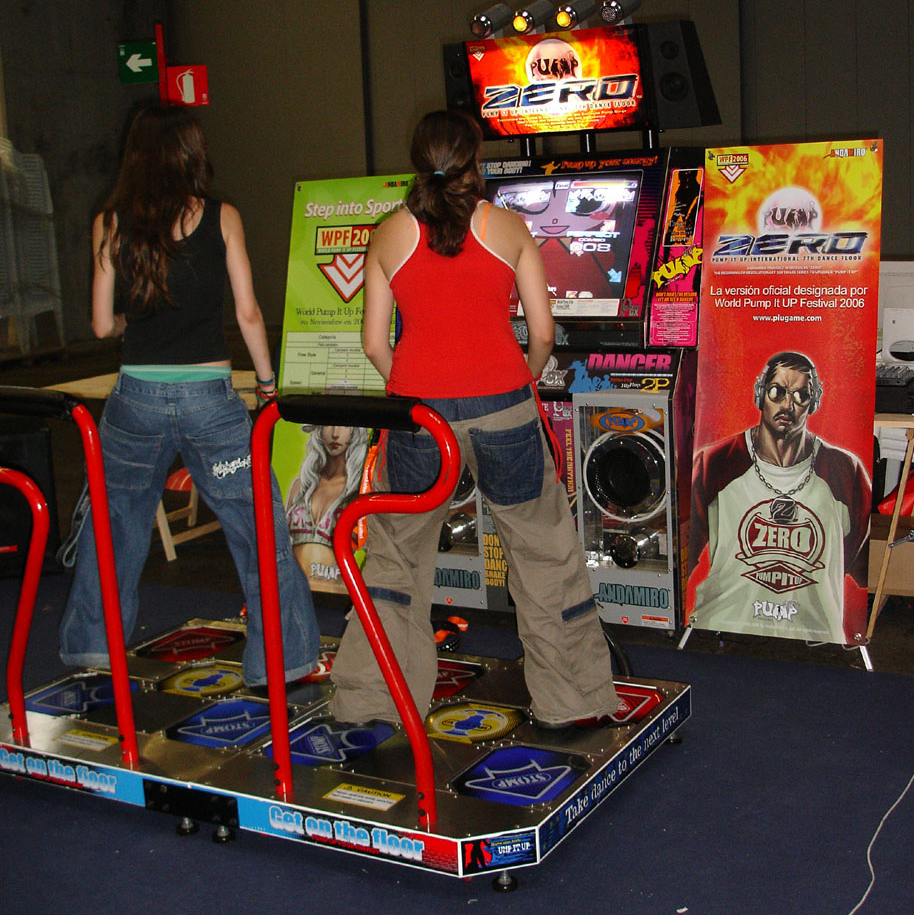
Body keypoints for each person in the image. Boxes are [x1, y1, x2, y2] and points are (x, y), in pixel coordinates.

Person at [330, 108, 619, 727]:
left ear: (418, 161)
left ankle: (372, 702)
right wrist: (519, 378)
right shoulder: (508, 227)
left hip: (419, 419)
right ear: (475, 159)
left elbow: (375, 344)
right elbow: (543, 334)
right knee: (544, 556)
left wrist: (419, 394)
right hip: (506, 409)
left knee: (396, 559)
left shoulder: (388, 234)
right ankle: (573, 702)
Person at [59, 104, 320, 687]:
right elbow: (247, 312)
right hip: (211, 403)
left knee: (114, 524)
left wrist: (131, 321)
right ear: (190, 153)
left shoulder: (110, 222)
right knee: (257, 527)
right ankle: (283, 660)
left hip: (135, 401)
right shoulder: (222, 216)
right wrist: (268, 386)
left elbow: (101, 325)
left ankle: (92, 648)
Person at [685, 350, 871, 643]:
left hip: (817, 631)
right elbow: (687, 551)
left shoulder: (845, 470)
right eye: (777, 392)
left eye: (801, 396)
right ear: (760, 394)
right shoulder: (715, 464)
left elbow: (856, 563)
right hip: (723, 619)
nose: (788, 405)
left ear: (814, 402)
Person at [285, 424, 369, 579]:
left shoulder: (360, 491)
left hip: (339, 587)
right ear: (319, 430)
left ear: (356, 432)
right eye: (328, 424)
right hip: (292, 582)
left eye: (344, 426)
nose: (335, 434)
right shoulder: (301, 486)